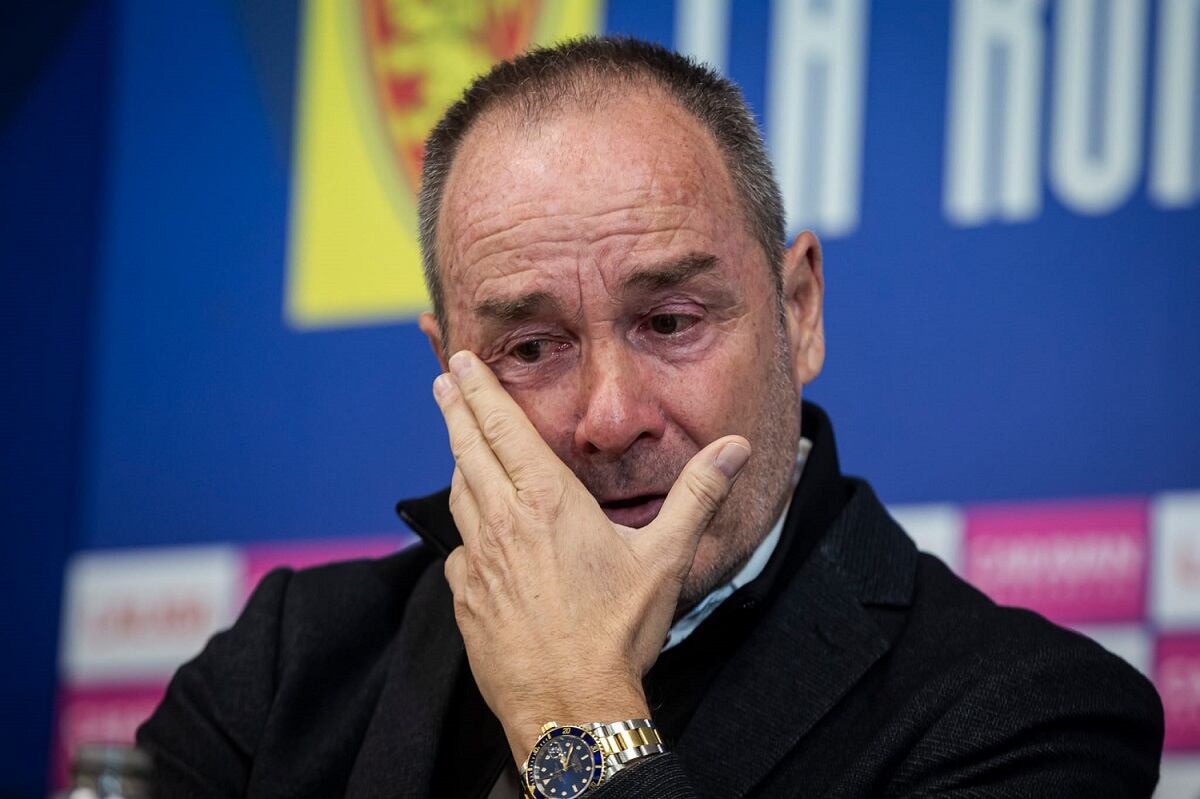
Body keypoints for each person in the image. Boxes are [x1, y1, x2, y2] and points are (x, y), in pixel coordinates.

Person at [137, 36, 1163, 798]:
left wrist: (573, 713)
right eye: (531, 347)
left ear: (798, 311)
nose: (611, 416)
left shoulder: (1031, 716)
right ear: (450, 371)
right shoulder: (285, 667)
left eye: (671, 320)